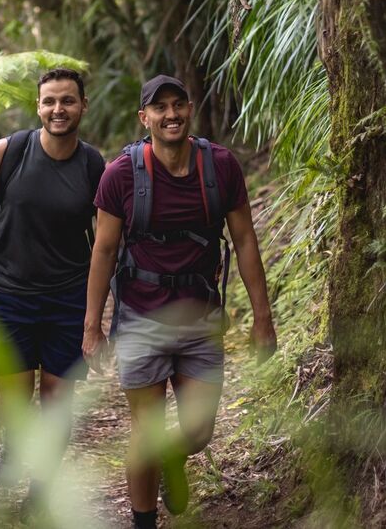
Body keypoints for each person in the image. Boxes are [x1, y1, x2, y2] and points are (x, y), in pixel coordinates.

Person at [82, 74, 277, 529]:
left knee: (199, 430)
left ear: (189, 110)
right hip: (140, 320)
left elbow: (245, 240)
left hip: (200, 317)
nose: (170, 114)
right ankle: (144, 522)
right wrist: (92, 327)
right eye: (160, 107)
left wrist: (263, 319)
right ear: (144, 117)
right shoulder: (120, 175)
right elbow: (104, 251)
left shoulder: (220, 166)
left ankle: (173, 456)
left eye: (178, 105)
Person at [0, 67, 105, 506]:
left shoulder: (94, 165)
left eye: (68, 101)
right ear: (38, 106)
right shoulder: (7, 153)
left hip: (67, 299)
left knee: (58, 403)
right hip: (8, 297)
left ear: (82, 106)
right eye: (50, 101)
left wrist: (98, 314)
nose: (59, 109)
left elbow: (109, 239)